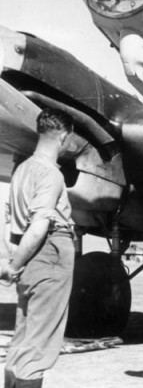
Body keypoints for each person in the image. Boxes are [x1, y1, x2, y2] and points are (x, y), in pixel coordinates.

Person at [1, 108, 75, 388]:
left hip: (29, 256)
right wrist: (15, 265)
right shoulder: (50, 175)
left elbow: (11, 221)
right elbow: (39, 225)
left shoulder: (22, 169)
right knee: (40, 344)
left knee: (23, 337)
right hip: (49, 253)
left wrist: (13, 259)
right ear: (64, 137)